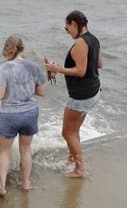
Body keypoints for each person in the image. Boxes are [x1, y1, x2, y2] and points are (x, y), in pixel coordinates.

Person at [0, 35, 47, 196]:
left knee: (5, 152)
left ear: (6, 50)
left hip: (10, 115)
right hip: (30, 113)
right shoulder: (33, 67)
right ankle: (26, 183)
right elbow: (41, 92)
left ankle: (2, 188)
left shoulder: (3, 68)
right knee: (25, 150)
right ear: (22, 48)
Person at [44, 10, 102, 178]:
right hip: (93, 92)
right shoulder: (94, 40)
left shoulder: (80, 43)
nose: (67, 31)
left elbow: (80, 71)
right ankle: (72, 159)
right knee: (74, 130)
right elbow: (100, 63)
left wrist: (56, 69)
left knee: (67, 133)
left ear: (74, 24)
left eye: (67, 27)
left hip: (81, 96)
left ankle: (79, 168)